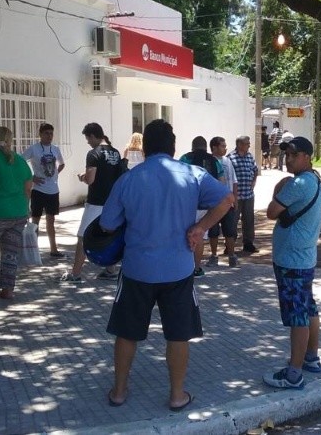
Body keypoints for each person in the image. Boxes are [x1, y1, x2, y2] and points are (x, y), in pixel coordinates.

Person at [100, 119, 233, 411]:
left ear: (145, 147)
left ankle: (119, 392)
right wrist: (201, 227)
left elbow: (108, 224)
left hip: (137, 270)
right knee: (178, 334)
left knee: (127, 332)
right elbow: (227, 199)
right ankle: (176, 395)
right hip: (179, 271)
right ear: (173, 147)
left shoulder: (128, 179)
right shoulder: (193, 174)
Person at [263, 136, 321, 389]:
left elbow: (271, 212)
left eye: (293, 155)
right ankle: (311, 358)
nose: (288, 159)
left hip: (292, 261)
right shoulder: (316, 180)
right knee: (308, 308)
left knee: (297, 316)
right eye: (286, 154)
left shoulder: (297, 183)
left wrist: (279, 187)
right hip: (305, 257)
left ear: (306, 157)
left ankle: (294, 374)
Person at [61, 122, 122, 283]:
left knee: (83, 236)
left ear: (93, 136)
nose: (88, 142)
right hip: (112, 201)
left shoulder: (93, 153)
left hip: (96, 202)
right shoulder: (115, 152)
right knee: (109, 235)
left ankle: (75, 274)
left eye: (88, 139)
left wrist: (82, 177)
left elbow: (90, 179)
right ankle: (111, 270)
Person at [0, 127, 33, 300]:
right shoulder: (20, 160)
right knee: (10, 252)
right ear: (11, 140)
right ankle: (7, 290)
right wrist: (26, 208)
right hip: (19, 213)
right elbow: (28, 188)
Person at [180, 136, 224, 277]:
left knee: (184, 234)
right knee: (199, 236)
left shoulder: (185, 158)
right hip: (206, 205)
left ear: (192, 146)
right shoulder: (215, 161)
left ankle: (184, 267)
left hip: (189, 204)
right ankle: (197, 268)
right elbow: (222, 183)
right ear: (206, 147)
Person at [22, 123, 65, 258]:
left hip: (53, 190)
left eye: (51, 133)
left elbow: (62, 163)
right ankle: (34, 250)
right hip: (38, 190)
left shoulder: (55, 149)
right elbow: (20, 162)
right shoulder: (34, 149)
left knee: (51, 220)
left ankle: (54, 249)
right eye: (46, 133)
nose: (49, 136)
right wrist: (32, 177)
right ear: (40, 134)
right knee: (35, 220)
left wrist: (55, 174)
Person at [206, 136, 239, 267]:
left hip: (227, 202)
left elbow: (234, 181)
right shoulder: (208, 161)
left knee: (229, 231)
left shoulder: (228, 161)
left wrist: (235, 198)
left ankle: (232, 256)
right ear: (214, 147)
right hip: (213, 203)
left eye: (225, 146)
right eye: (222, 146)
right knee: (213, 231)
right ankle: (214, 255)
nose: (225, 148)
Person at [228, 135, 260, 253]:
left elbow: (255, 170)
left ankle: (248, 243)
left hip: (248, 195)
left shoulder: (250, 156)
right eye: (247, 143)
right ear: (239, 144)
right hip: (236, 196)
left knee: (249, 219)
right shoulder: (230, 158)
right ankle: (230, 244)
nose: (249, 145)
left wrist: (254, 181)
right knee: (232, 220)